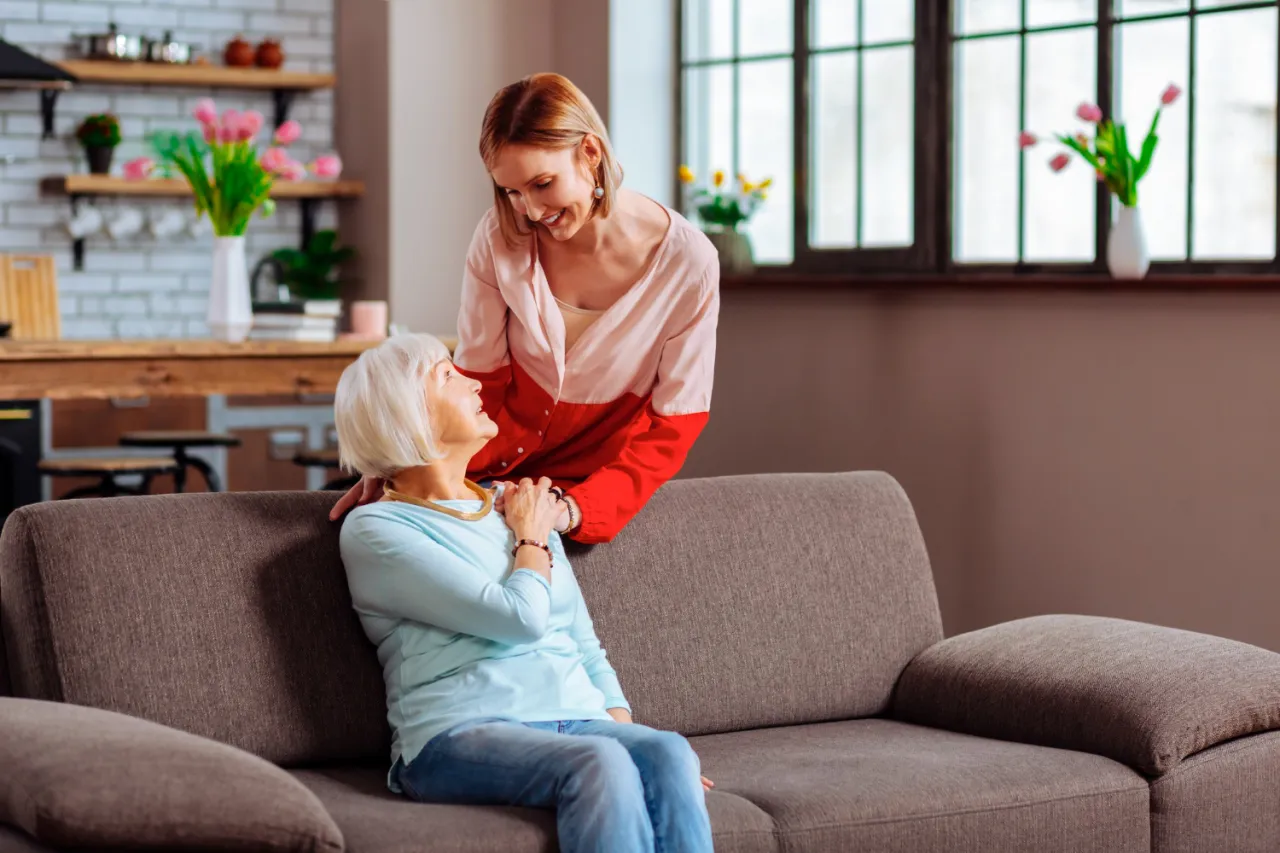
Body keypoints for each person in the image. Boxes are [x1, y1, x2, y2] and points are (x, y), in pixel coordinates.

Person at [334, 332, 715, 853]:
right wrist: (533, 537)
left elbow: (583, 643)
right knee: (600, 761)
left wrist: (634, 741)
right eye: (448, 375)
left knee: (669, 753)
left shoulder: (512, 505)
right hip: (456, 734)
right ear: (406, 414)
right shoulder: (379, 529)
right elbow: (519, 617)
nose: (472, 382)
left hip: (576, 722)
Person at [331, 72, 720, 544]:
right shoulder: (499, 239)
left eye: (542, 184)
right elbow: (479, 378)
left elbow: (672, 424)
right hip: (479, 481)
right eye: (511, 192)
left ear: (590, 154)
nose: (530, 211)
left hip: (581, 497)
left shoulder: (687, 263)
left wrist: (575, 510)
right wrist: (408, 460)